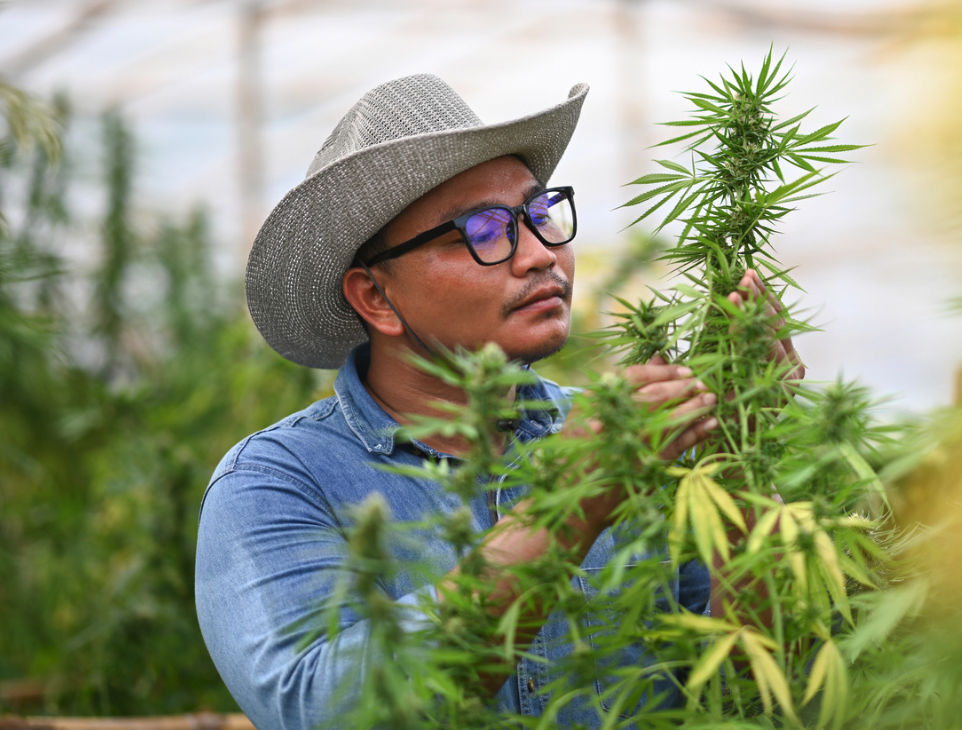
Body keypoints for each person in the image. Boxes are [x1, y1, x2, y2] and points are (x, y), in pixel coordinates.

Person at [195, 74, 801, 729]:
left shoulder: (633, 441)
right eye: (484, 230)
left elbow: (740, 702)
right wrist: (573, 502)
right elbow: (328, 711)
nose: (543, 255)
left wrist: (741, 468)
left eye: (540, 216)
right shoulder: (275, 483)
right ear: (375, 297)